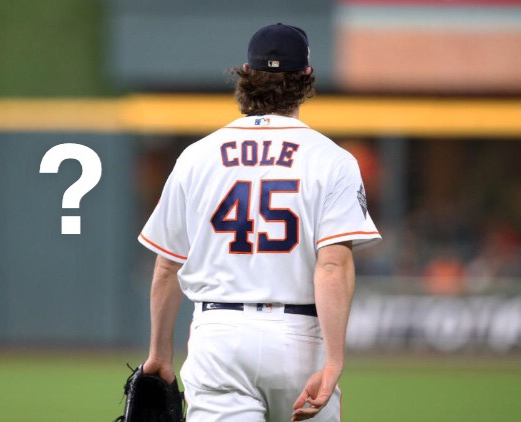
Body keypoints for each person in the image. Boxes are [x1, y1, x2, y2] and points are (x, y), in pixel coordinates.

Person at [137, 23, 381, 422]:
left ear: (247, 75)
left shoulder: (197, 156)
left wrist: (159, 355)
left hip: (219, 336)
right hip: (299, 337)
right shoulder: (333, 159)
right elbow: (333, 266)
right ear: (306, 77)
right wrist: (333, 360)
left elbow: (168, 266)